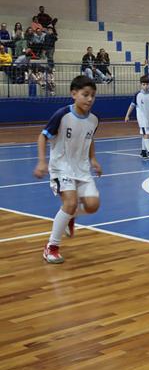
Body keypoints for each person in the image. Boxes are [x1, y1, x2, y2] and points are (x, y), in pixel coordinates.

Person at [33, 76, 101, 263]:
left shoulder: (94, 119)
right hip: (61, 168)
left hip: (82, 169)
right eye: (85, 94)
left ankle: (69, 216)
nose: (89, 99)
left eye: (93, 95)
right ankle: (51, 247)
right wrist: (41, 162)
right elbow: (42, 136)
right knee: (70, 202)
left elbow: (90, 139)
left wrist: (93, 159)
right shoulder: (62, 115)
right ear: (74, 94)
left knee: (93, 206)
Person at [124, 75, 149, 160]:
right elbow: (132, 105)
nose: (145, 86)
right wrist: (127, 115)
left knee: (145, 134)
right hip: (142, 118)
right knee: (147, 134)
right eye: (143, 84)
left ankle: (143, 152)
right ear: (141, 85)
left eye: (147, 84)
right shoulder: (138, 95)